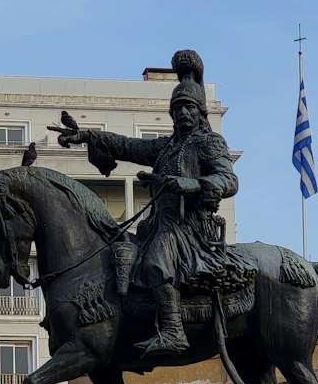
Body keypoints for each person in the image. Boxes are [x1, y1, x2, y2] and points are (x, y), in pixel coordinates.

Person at [52, 50, 241, 356]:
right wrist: (86, 135)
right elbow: (127, 145)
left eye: (189, 107)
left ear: (200, 112)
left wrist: (191, 184)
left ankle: (173, 331)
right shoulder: (165, 147)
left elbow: (229, 181)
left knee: (155, 262)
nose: (183, 114)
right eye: (177, 108)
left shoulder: (210, 143)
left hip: (189, 226)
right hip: (159, 224)